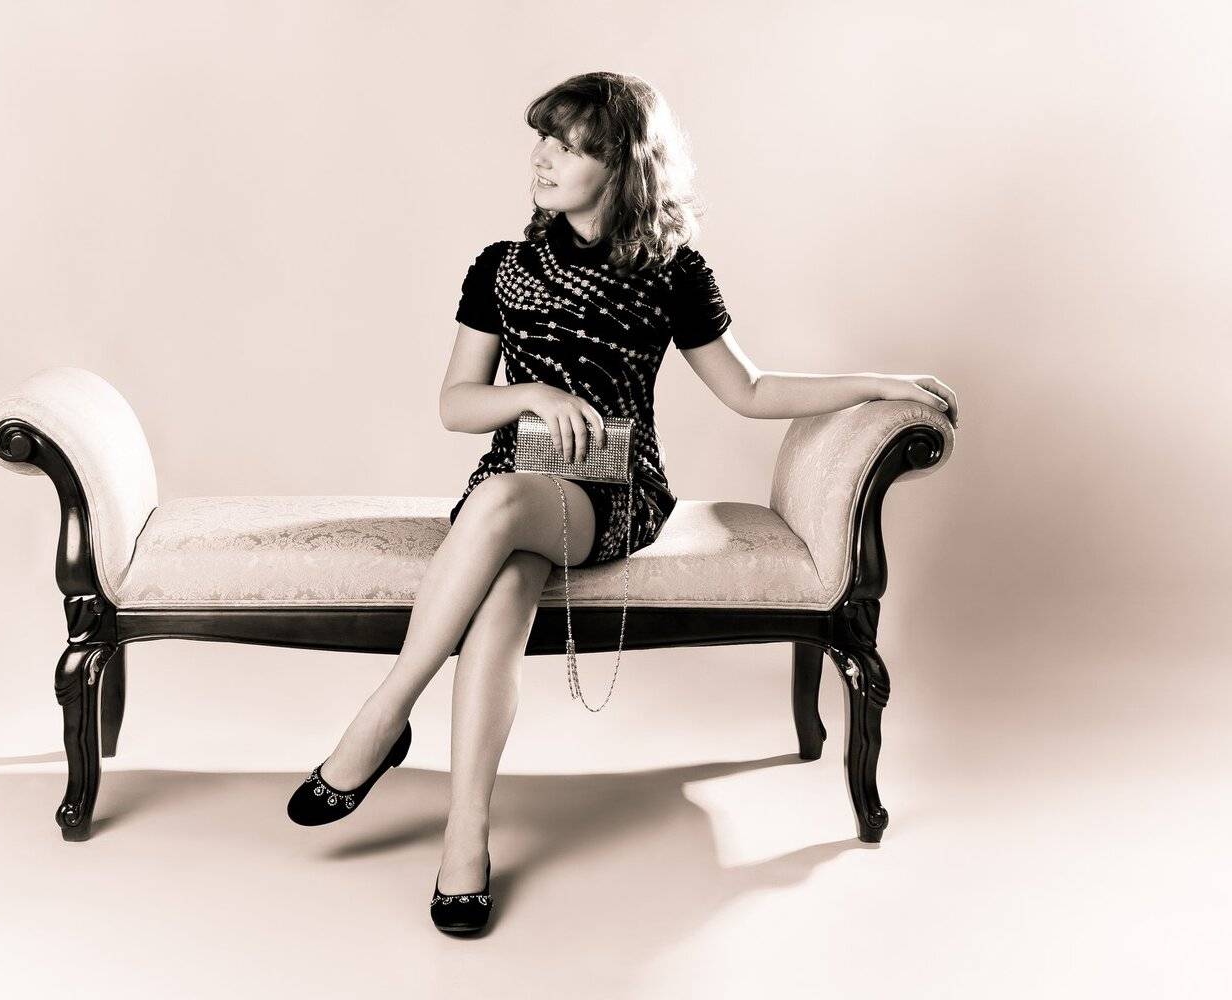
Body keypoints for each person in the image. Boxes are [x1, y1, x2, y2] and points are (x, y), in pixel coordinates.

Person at [288, 71, 958, 934]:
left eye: (569, 146)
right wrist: (533, 395)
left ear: (623, 164)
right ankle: (466, 834)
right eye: (542, 139)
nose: (543, 158)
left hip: (617, 493)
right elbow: (456, 404)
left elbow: (749, 390)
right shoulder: (500, 267)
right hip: (513, 484)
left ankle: (383, 717)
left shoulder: (672, 271)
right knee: (504, 584)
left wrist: (878, 382)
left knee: (501, 509)